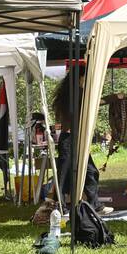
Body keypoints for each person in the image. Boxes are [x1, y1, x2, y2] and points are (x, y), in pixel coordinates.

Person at [53, 74, 113, 215]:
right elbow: (95, 102)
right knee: (64, 175)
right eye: (85, 78)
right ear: (79, 78)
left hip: (76, 139)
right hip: (69, 139)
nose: (86, 81)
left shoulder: (71, 93)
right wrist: (115, 97)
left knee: (89, 172)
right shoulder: (75, 93)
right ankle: (60, 206)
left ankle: (94, 205)